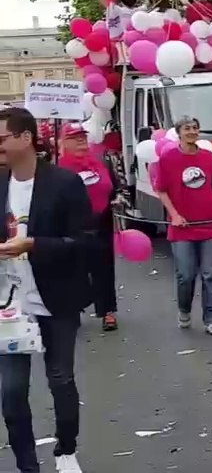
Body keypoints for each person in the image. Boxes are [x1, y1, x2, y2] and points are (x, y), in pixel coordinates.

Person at [0, 107, 93, 473]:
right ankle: (27, 466)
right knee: (10, 391)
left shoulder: (65, 183)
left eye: (2, 138)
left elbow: (84, 242)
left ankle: (66, 450)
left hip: (56, 298)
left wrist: (34, 245)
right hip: (9, 304)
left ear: (26, 138)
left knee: (60, 379)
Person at [153, 116, 212, 336]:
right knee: (186, 274)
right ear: (178, 132)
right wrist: (174, 215)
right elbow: (162, 189)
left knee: (211, 273)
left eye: (195, 128)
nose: (192, 132)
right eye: (187, 128)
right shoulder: (168, 158)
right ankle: (184, 309)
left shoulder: (207, 157)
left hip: (211, 223)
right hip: (182, 227)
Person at [57, 123, 119, 332]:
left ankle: (108, 312)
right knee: (75, 271)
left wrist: (116, 198)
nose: (81, 140)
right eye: (75, 137)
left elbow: (113, 186)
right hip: (73, 226)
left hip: (101, 222)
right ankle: (74, 308)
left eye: (83, 136)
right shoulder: (58, 168)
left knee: (104, 269)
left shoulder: (100, 161)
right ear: (64, 142)